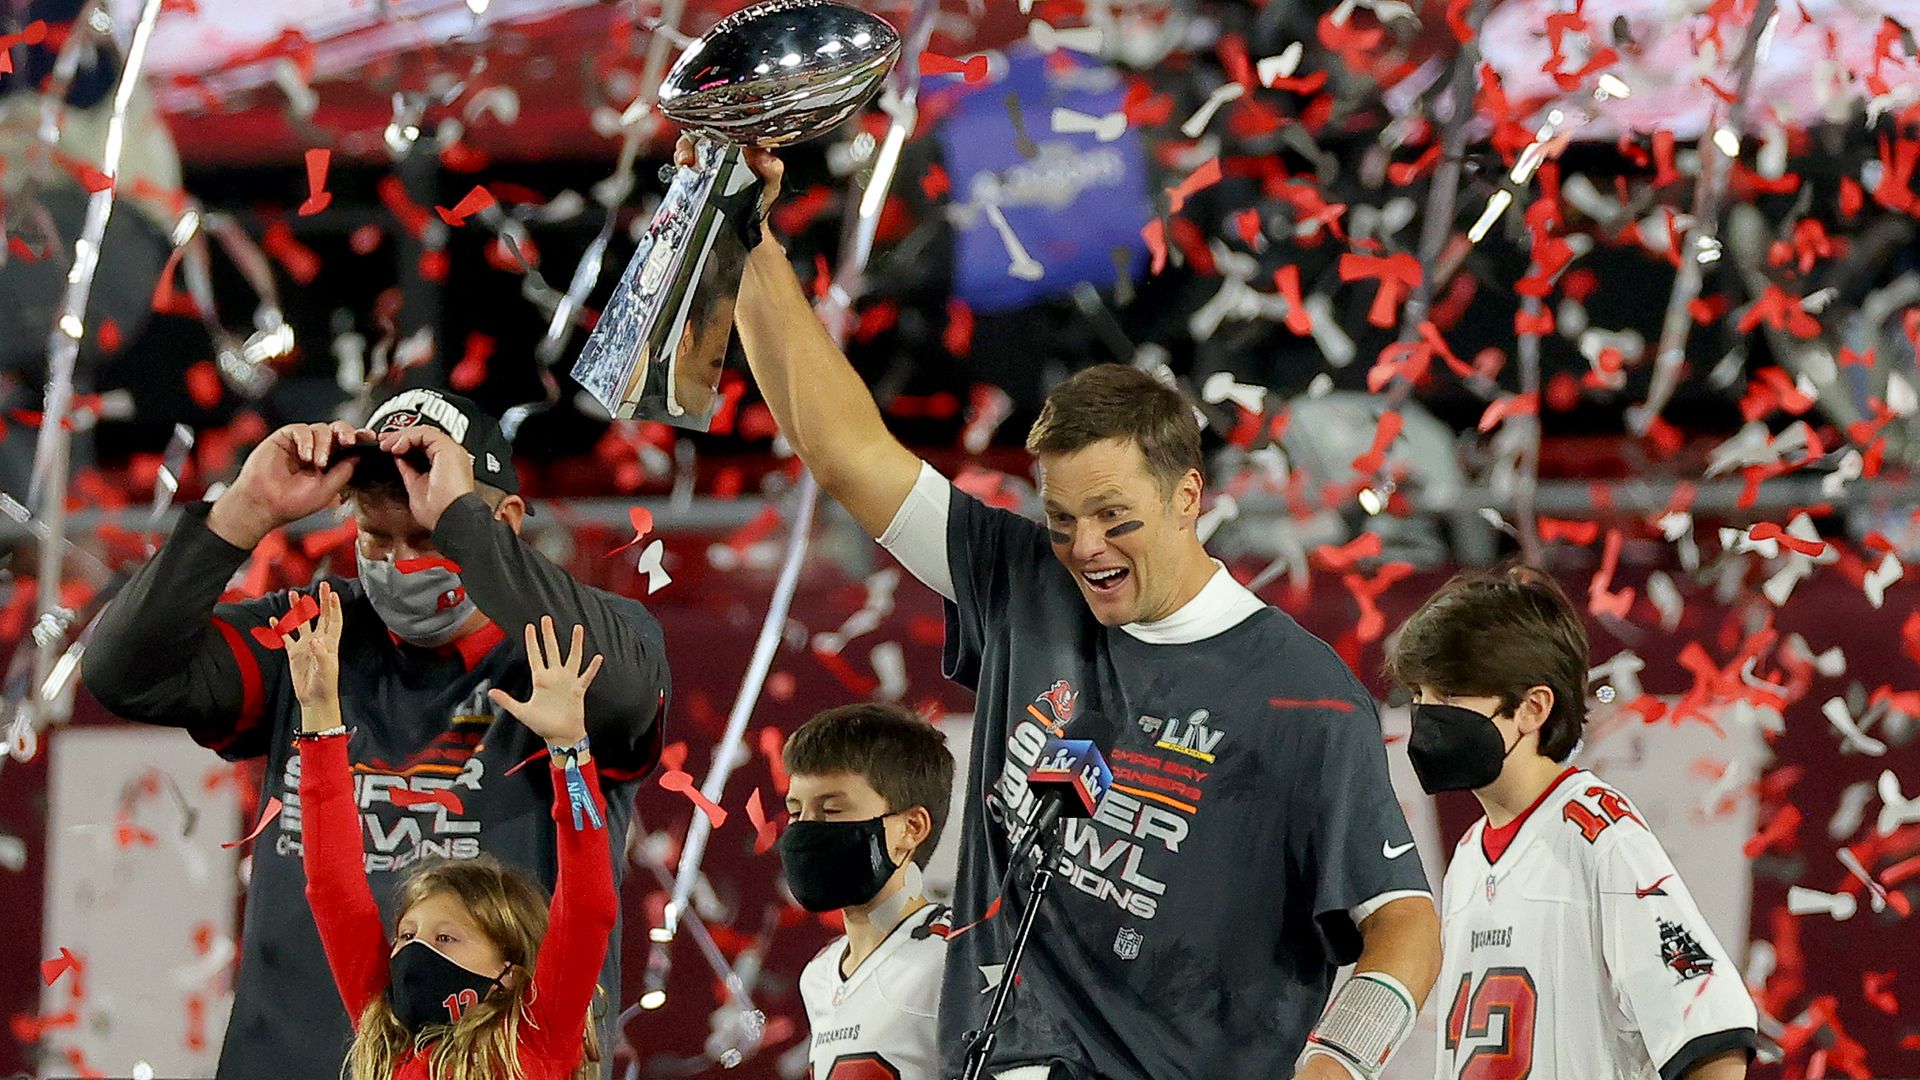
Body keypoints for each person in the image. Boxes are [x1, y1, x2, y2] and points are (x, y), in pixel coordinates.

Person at [685, 135, 1443, 1080]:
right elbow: (841, 447)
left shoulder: (1301, 693)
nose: (1085, 548)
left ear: (1188, 497)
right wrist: (747, 238)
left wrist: (1339, 1061)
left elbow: (1403, 920)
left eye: (1116, 518)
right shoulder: (1021, 582)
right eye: (1062, 519)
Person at [81, 388, 669, 1080]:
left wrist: (463, 524)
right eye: (375, 536)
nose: (400, 563)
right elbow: (123, 672)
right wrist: (244, 512)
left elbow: (622, 693)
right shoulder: (314, 635)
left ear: (503, 519)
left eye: (427, 537)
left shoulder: (579, 648)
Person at [1385, 567, 1759, 1080]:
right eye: (1419, 697)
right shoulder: (1471, 856)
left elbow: (1710, 1034)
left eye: (1448, 696)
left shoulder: (1602, 837)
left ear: (1532, 708)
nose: (1426, 718)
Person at [289, 586, 614, 1080]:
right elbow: (333, 889)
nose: (417, 952)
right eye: (407, 936)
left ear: (510, 976)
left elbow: (589, 906)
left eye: (446, 937)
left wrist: (570, 751)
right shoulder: (386, 1038)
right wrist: (318, 716)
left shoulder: (534, 1039)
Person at [778, 704, 956, 1080]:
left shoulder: (957, 959)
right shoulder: (819, 975)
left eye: (831, 810)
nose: (806, 830)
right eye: (796, 812)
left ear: (911, 827)